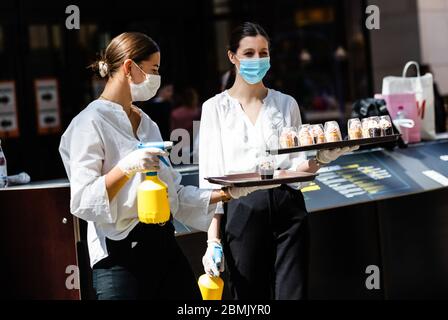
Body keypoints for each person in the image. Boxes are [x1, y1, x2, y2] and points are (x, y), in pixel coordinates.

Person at [59, 32, 276, 300]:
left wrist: (230, 192)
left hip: (163, 246)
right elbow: (82, 200)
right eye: (154, 70)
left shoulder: (148, 123)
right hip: (119, 259)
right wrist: (126, 167)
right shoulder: (88, 124)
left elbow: (174, 194)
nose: (157, 79)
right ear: (129, 67)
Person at [199, 22, 358, 300]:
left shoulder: (286, 104)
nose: (257, 60)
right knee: (249, 298)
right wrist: (213, 240)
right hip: (242, 208)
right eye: (248, 53)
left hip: (288, 208)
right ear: (232, 56)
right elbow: (209, 180)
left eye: (264, 52)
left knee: (293, 294)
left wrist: (322, 158)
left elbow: (297, 171)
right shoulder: (215, 109)